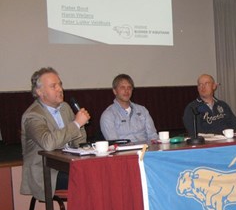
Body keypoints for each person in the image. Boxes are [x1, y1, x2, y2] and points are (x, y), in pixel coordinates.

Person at [20, 67, 90, 201]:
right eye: (54, 86)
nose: (60, 89)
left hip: (66, 164)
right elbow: (48, 143)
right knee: (87, 179)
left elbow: (79, 142)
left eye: (60, 84)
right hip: (46, 173)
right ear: (39, 92)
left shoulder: (65, 108)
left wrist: (80, 126)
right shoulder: (33, 115)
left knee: (97, 172)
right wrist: (76, 124)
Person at [100, 74, 158, 142]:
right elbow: (114, 143)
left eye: (129, 87)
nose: (126, 91)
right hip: (124, 151)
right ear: (115, 91)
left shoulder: (142, 110)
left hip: (146, 150)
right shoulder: (108, 115)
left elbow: (153, 136)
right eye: (122, 87)